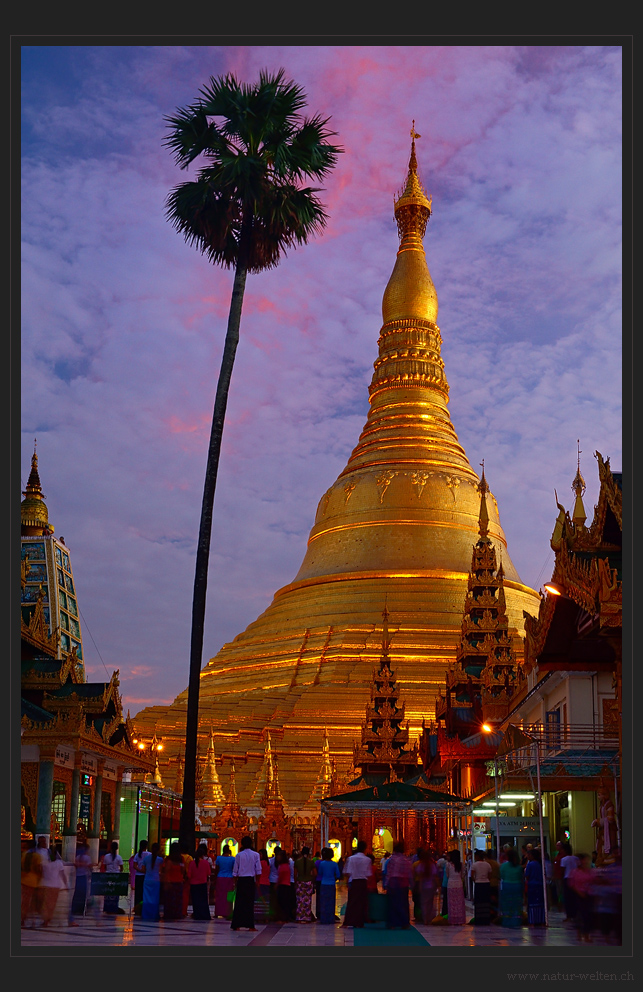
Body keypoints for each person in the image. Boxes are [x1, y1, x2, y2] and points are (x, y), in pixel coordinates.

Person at [230, 835, 261, 931]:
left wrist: (235, 883)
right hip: (250, 880)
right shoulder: (256, 855)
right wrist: (258, 881)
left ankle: (237, 925)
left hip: (241, 880)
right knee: (249, 903)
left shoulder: (239, 855)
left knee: (239, 903)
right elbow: (258, 870)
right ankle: (250, 925)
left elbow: (235, 871)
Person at [342, 839, 372, 928]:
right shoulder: (367, 860)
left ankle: (347, 922)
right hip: (363, 882)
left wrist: (347, 882)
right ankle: (359, 922)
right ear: (365, 849)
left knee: (352, 902)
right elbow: (368, 874)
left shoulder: (351, 859)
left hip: (354, 881)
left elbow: (347, 872)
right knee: (362, 902)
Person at [39, 841, 69, 926]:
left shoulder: (44, 863)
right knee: (52, 904)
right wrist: (66, 885)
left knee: (45, 904)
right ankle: (48, 919)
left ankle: (45, 920)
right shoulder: (59, 863)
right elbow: (62, 875)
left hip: (46, 885)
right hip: (55, 886)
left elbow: (40, 873)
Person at [385, 841, 413, 929]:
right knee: (403, 903)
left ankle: (392, 923)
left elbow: (389, 872)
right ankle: (404, 922)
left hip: (394, 882)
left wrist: (386, 883)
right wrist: (411, 884)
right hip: (404, 883)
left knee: (392, 903)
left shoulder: (392, 859)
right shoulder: (407, 860)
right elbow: (410, 873)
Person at [569, 853, 593, 941]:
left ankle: (587, 934)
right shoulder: (575, 872)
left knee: (588, 916)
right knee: (579, 915)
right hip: (578, 896)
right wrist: (579, 892)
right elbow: (572, 884)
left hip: (588, 895)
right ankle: (579, 933)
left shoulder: (589, 871)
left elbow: (592, 881)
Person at [161, 842, 187, 920]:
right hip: (179, 881)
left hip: (170, 882)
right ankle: (177, 914)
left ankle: (169, 915)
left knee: (169, 900)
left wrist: (166, 882)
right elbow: (183, 870)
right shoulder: (181, 859)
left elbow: (166, 871)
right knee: (178, 900)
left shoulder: (168, 859)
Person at [499, 847, 523, 927]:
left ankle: (507, 921)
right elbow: (521, 877)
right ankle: (516, 920)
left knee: (507, 904)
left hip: (507, 886)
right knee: (516, 904)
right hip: (517, 886)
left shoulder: (503, 866)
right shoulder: (519, 867)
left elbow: (502, 876)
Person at [21, 839, 42, 927]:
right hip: (33, 881)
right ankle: (31, 919)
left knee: (25, 901)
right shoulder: (36, 856)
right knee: (33, 902)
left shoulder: (24, 854)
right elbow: (38, 868)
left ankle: (23, 919)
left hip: (24, 880)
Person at [315, 848, 340, 924]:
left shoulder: (322, 864)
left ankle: (323, 918)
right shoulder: (335, 864)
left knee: (323, 902)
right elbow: (338, 875)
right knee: (331, 902)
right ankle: (330, 918)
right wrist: (333, 878)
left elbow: (320, 873)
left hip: (323, 884)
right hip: (331, 884)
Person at [188, 843, 212, 920]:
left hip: (194, 884)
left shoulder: (192, 863)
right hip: (203, 883)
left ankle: (197, 914)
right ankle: (204, 914)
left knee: (195, 900)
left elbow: (189, 875)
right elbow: (209, 873)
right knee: (203, 901)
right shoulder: (206, 863)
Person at [414, 849, 438, 924]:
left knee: (424, 903)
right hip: (431, 886)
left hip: (424, 886)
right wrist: (437, 885)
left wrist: (420, 886)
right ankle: (429, 917)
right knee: (430, 903)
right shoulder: (432, 865)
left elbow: (420, 877)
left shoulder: (421, 865)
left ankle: (425, 919)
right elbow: (435, 876)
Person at [101, 841, 124, 915]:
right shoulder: (119, 857)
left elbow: (104, 866)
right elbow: (121, 868)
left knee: (108, 892)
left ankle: (107, 908)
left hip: (108, 876)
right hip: (116, 877)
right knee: (115, 892)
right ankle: (114, 908)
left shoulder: (106, 856)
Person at [141, 842, 163, 921]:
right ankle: (154, 914)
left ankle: (146, 914)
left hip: (147, 880)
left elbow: (143, 870)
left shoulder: (146, 859)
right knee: (155, 898)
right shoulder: (160, 860)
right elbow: (161, 871)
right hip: (156, 880)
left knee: (146, 898)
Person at [213, 844, 236, 919]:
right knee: (229, 896)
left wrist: (215, 878)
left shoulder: (218, 858)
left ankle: (218, 912)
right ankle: (228, 912)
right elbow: (234, 869)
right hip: (229, 878)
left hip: (220, 877)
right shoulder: (232, 859)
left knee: (219, 895)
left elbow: (217, 869)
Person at [294, 846, 316, 923]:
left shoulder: (297, 862)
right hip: (308, 882)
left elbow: (295, 874)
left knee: (300, 901)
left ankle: (300, 917)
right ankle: (307, 917)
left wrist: (296, 882)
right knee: (307, 901)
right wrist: (311, 879)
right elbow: (315, 873)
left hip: (300, 882)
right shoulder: (311, 862)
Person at [524, 848, 546, 926]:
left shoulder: (530, 864)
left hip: (532, 885)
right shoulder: (540, 864)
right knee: (540, 903)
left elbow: (527, 875)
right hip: (540, 885)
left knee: (532, 903)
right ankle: (541, 920)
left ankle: (532, 920)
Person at [470, 849, 492, 925]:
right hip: (486, 883)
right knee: (486, 901)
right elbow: (489, 875)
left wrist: (475, 880)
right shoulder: (487, 864)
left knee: (478, 902)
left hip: (478, 883)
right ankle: (486, 918)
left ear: (477, 856)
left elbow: (472, 875)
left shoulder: (474, 865)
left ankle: (478, 918)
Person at [560, 842, 580, 921]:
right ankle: (575, 914)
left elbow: (562, 870)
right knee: (574, 897)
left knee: (567, 898)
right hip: (575, 879)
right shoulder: (576, 858)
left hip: (567, 878)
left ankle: (569, 915)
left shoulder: (564, 859)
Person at [446, 849, 465, 925]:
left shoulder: (448, 864)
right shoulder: (461, 865)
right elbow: (463, 874)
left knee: (452, 903)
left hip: (451, 884)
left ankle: (452, 919)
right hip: (459, 883)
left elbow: (447, 875)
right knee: (459, 903)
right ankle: (460, 919)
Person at [130, 839, 148, 916]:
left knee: (138, 893)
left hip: (138, 876)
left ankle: (137, 908)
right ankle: (144, 908)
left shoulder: (137, 855)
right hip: (145, 876)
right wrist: (144, 871)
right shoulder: (149, 854)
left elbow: (134, 865)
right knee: (145, 893)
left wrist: (139, 870)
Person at [255, 848, 271, 922]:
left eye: (260, 854)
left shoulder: (260, 863)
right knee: (265, 900)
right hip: (267, 883)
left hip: (260, 883)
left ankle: (259, 917)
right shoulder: (268, 863)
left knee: (259, 900)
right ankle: (266, 917)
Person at [276, 849, 292, 922]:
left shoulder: (282, 866)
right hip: (287, 885)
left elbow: (281, 876)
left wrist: (277, 884)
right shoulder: (287, 865)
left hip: (282, 885)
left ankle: (282, 918)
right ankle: (286, 918)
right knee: (286, 902)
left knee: (282, 902)